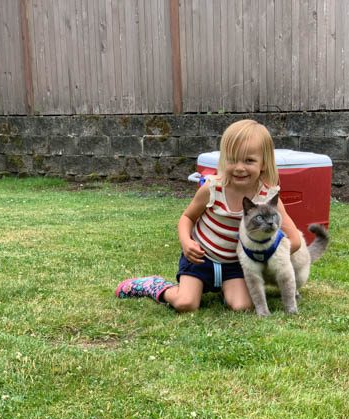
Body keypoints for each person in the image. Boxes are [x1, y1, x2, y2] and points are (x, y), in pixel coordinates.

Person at [115, 119, 302, 312]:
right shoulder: (212, 188)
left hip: (235, 266)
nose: (239, 167)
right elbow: (187, 218)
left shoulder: (268, 198)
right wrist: (186, 242)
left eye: (249, 161)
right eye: (232, 159)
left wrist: (263, 256)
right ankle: (155, 286)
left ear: (263, 163)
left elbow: (294, 240)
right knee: (186, 304)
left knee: (242, 306)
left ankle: (225, 289)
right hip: (201, 260)